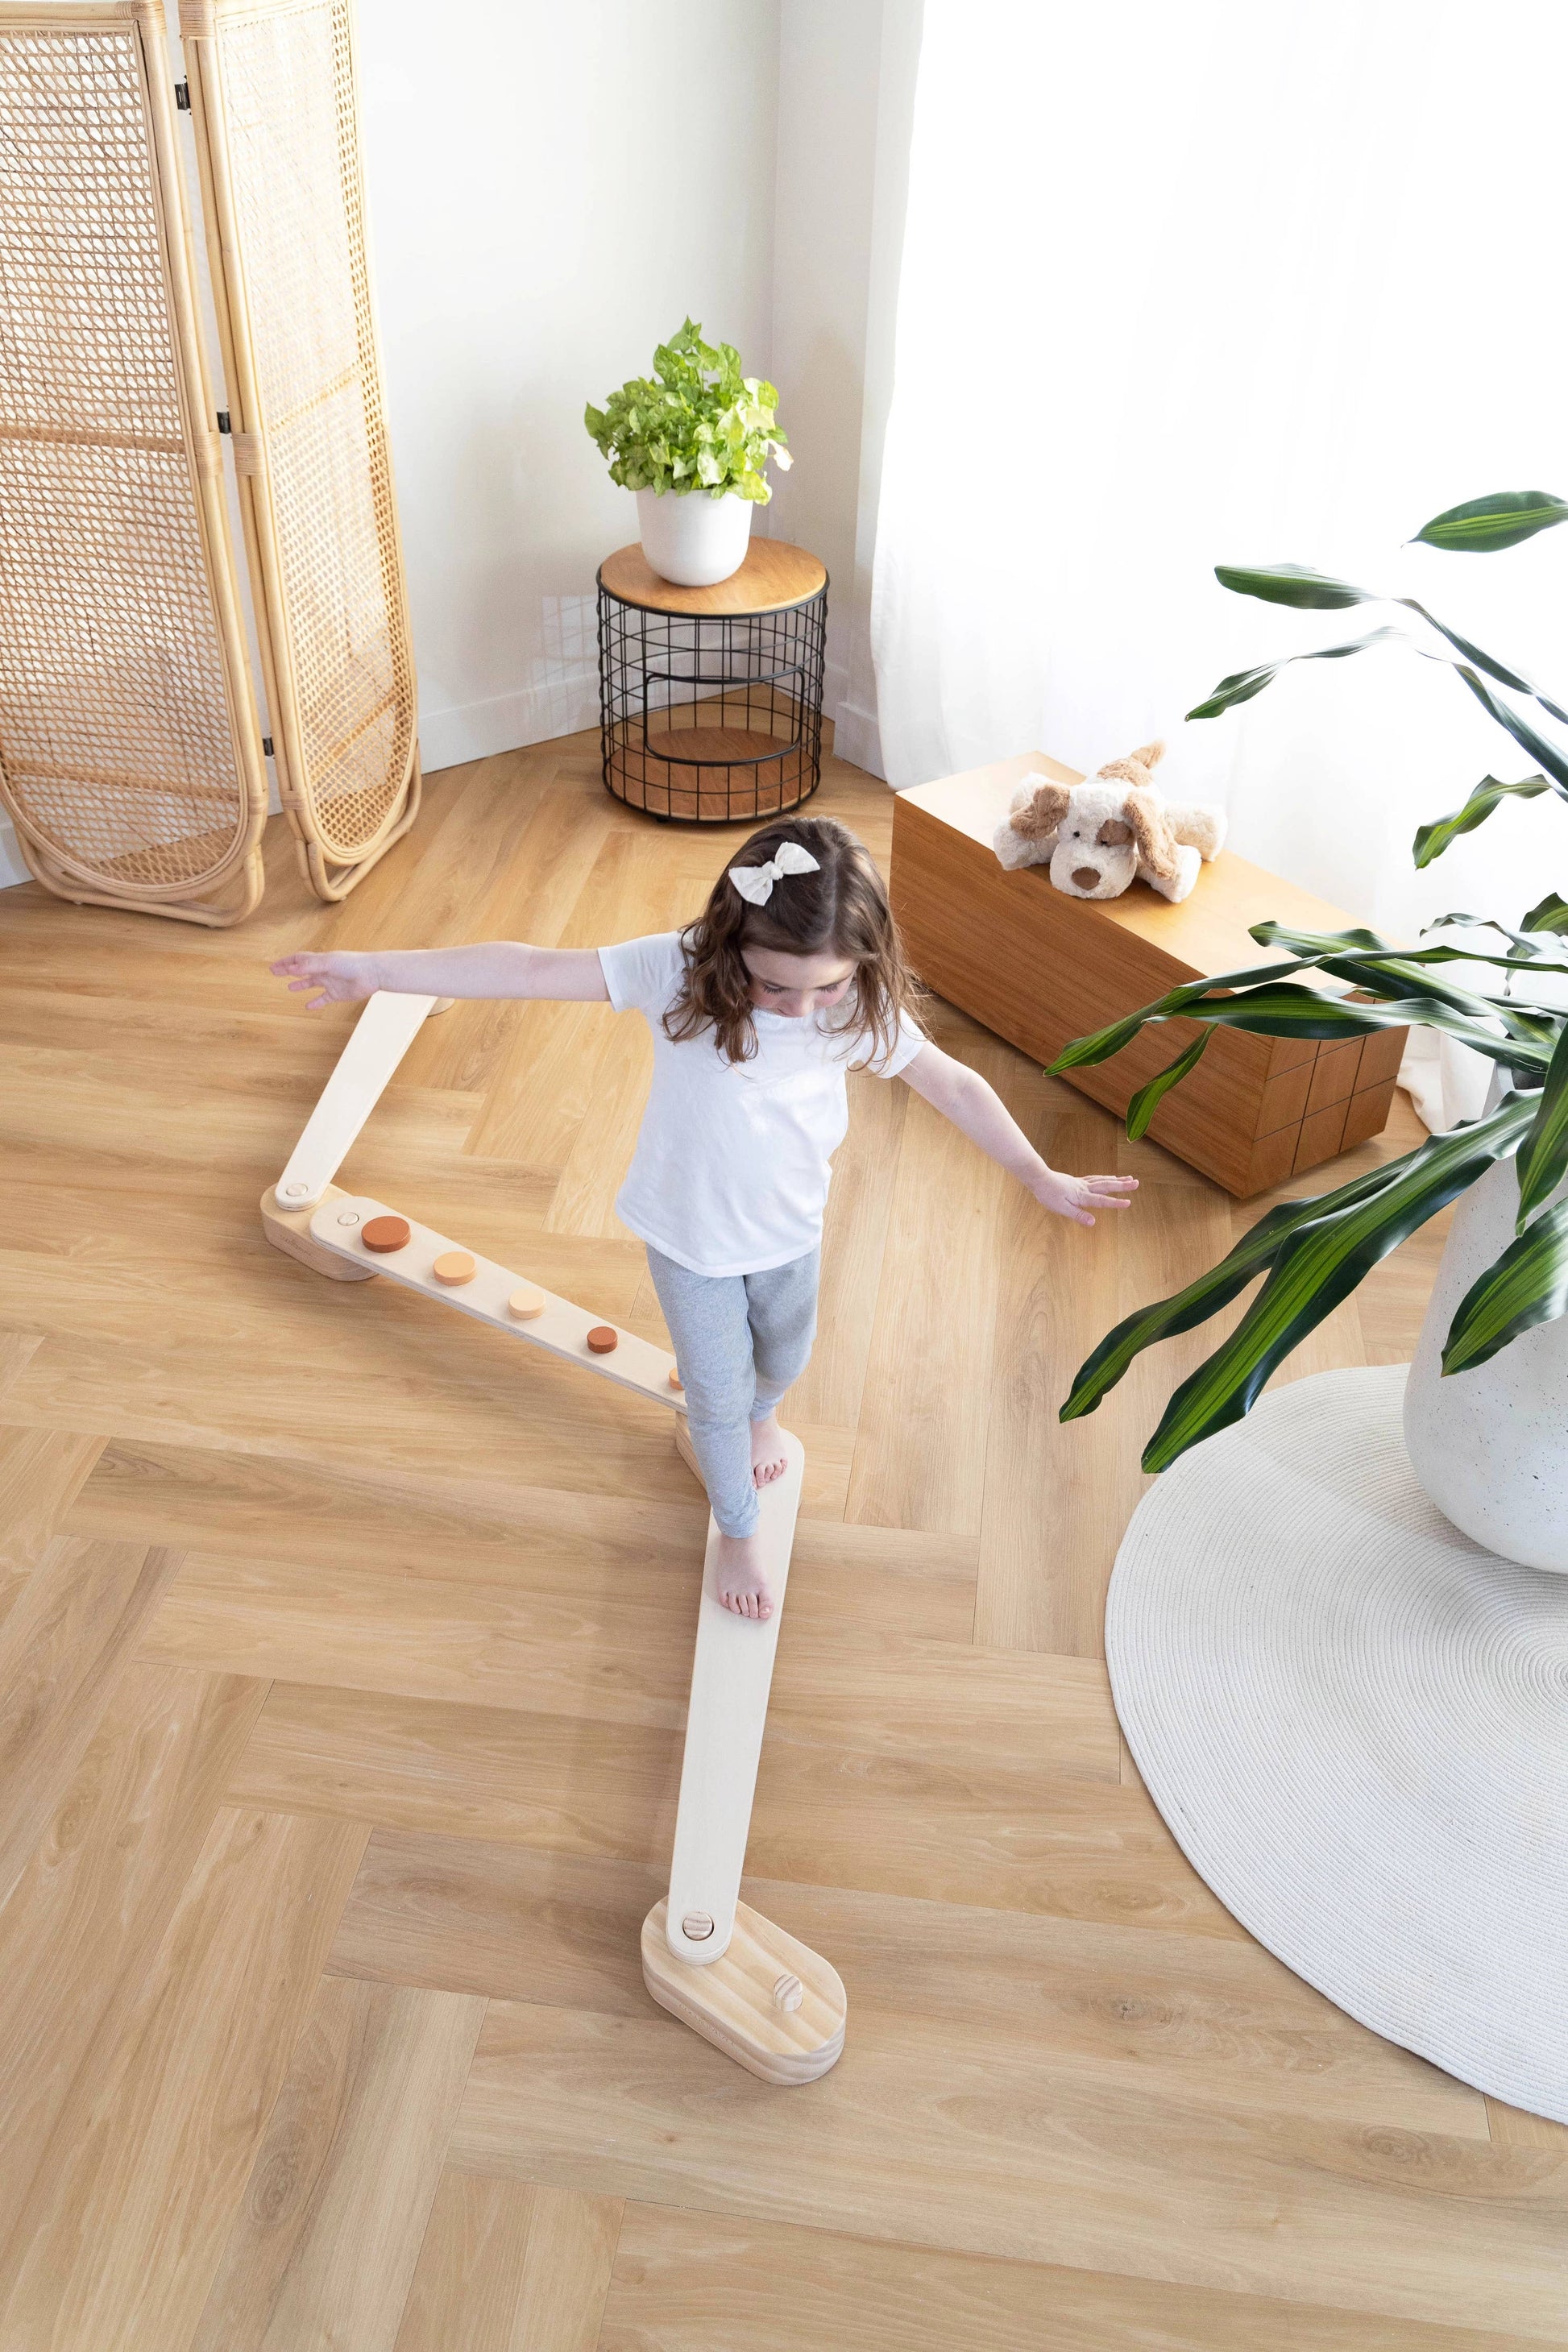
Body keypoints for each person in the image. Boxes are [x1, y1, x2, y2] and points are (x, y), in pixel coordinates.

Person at [271, 814, 1136, 1620]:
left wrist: (1033, 1173)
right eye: (774, 986)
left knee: (783, 1360)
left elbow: (949, 1081)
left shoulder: (853, 1008)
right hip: (690, 1242)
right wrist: (380, 971)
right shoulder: (675, 970)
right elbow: (532, 966)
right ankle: (736, 1528)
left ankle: (760, 1417)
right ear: (732, 943)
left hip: (792, 1230)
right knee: (716, 1401)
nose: (800, 1008)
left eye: (824, 988)